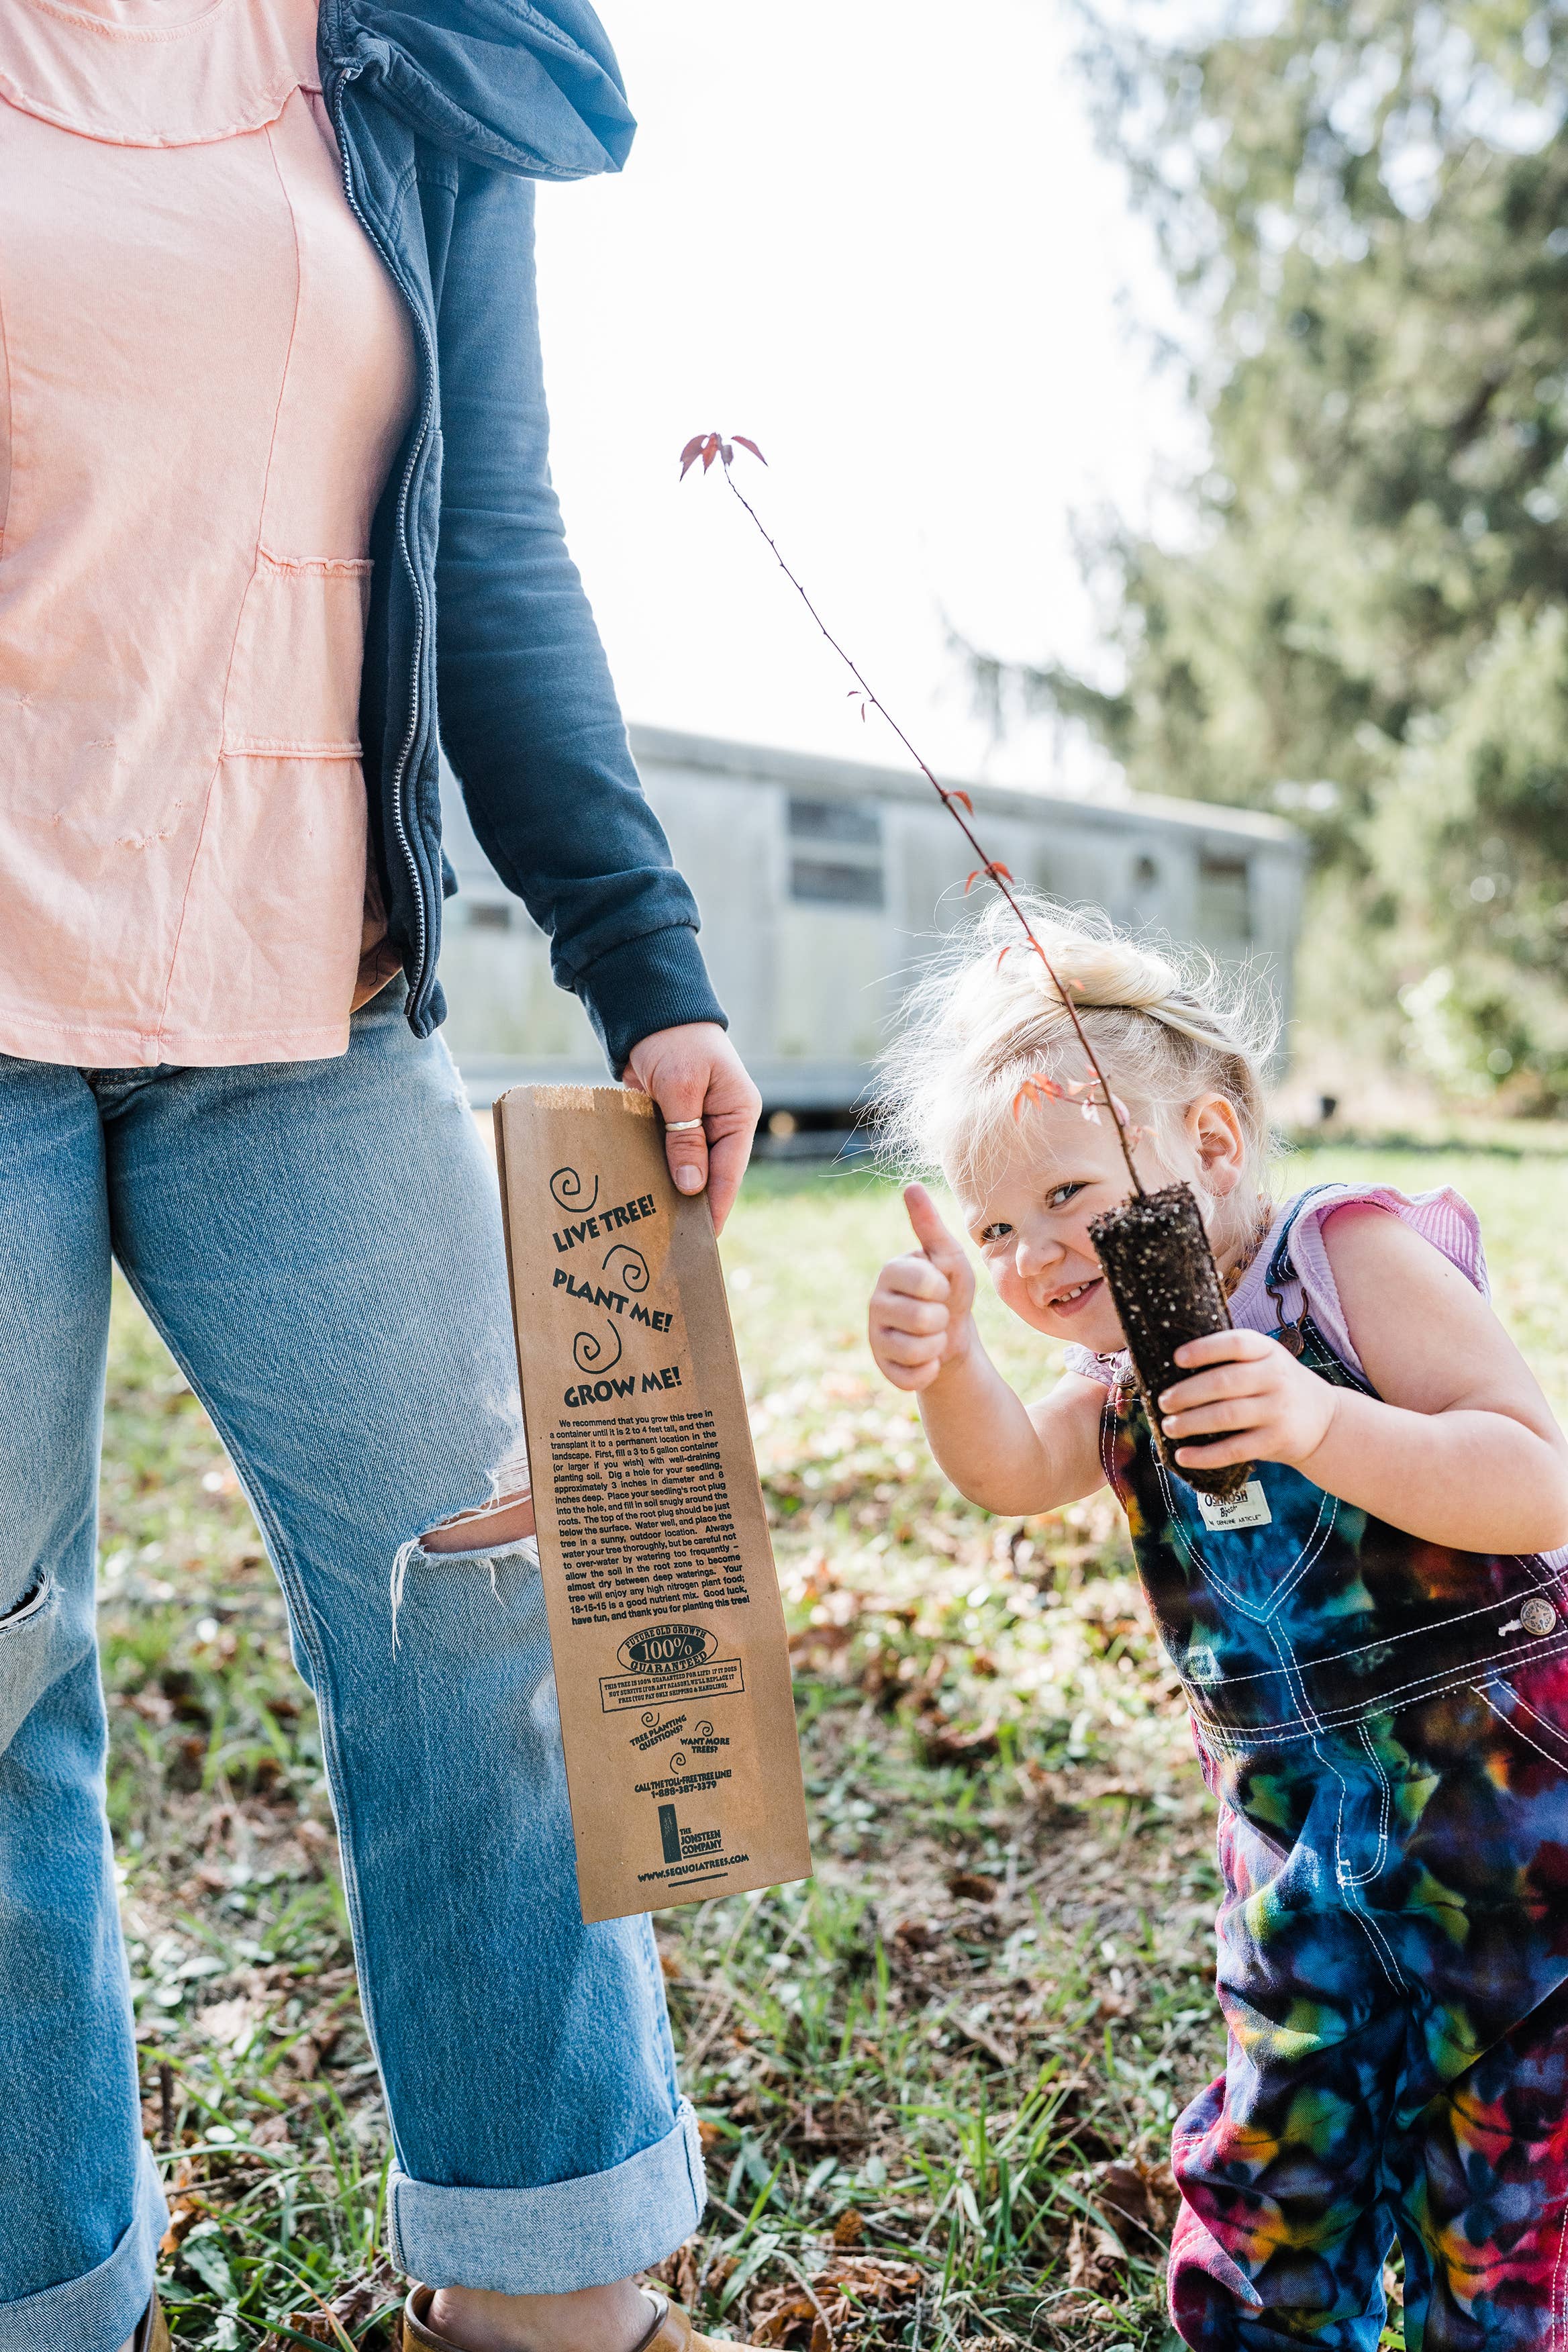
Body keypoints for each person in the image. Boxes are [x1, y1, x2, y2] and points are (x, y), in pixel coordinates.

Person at [0, 2, 756, 2349]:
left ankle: (549, 2284)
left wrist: (647, 956)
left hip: (308, 1011)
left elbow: (491, 538)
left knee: (501, 1621)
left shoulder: (419, 55)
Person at [867, 899, 1568, 2351]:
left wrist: (1321, 1419)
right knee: (1268, 2198)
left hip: (1511, 1854)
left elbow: (1530, 1478)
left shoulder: (1339, 1265)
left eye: (1067, 1195)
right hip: (1297, 1865)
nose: (1036, 1250)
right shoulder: (1126, 1370)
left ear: (1211, 1142)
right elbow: (1008, 1469)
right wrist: (948, 1365)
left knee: (1498, 2220)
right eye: (997, 1228)